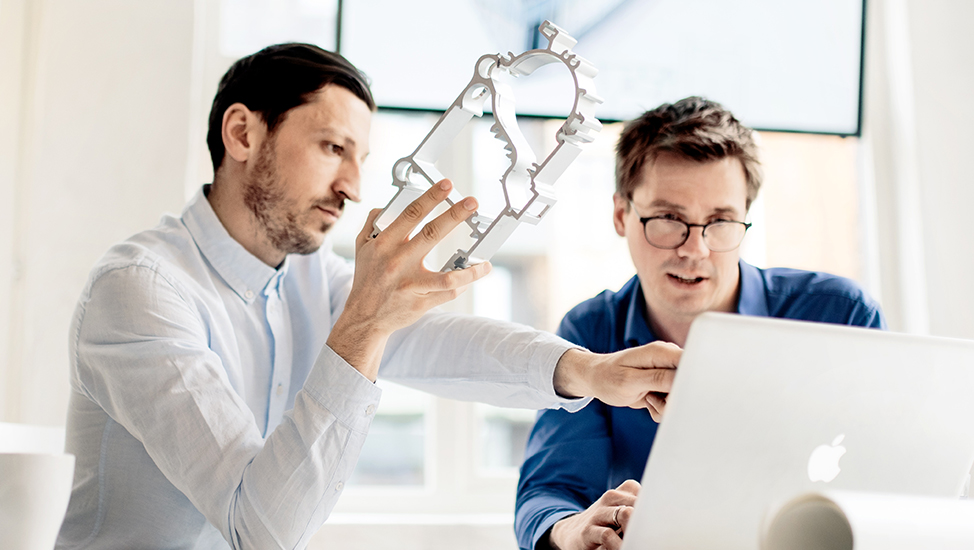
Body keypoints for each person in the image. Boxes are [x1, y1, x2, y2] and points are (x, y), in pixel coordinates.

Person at [56, 44, 681, 550]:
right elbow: (260, 532)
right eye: (333, 148)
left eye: (362, 158)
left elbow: (436, 342)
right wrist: (363, 324)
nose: (354, 187)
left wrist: (590, 371)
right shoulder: (140, 291)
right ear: (242, 134)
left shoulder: (306, 276)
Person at [514, 97, 887, 550]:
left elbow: (890, 473)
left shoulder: (840, 317)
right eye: (669, 218)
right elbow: (549, 492)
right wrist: (572, 529)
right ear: (621, 215)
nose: (695, 249)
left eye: (720, 221)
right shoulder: (591, 333)